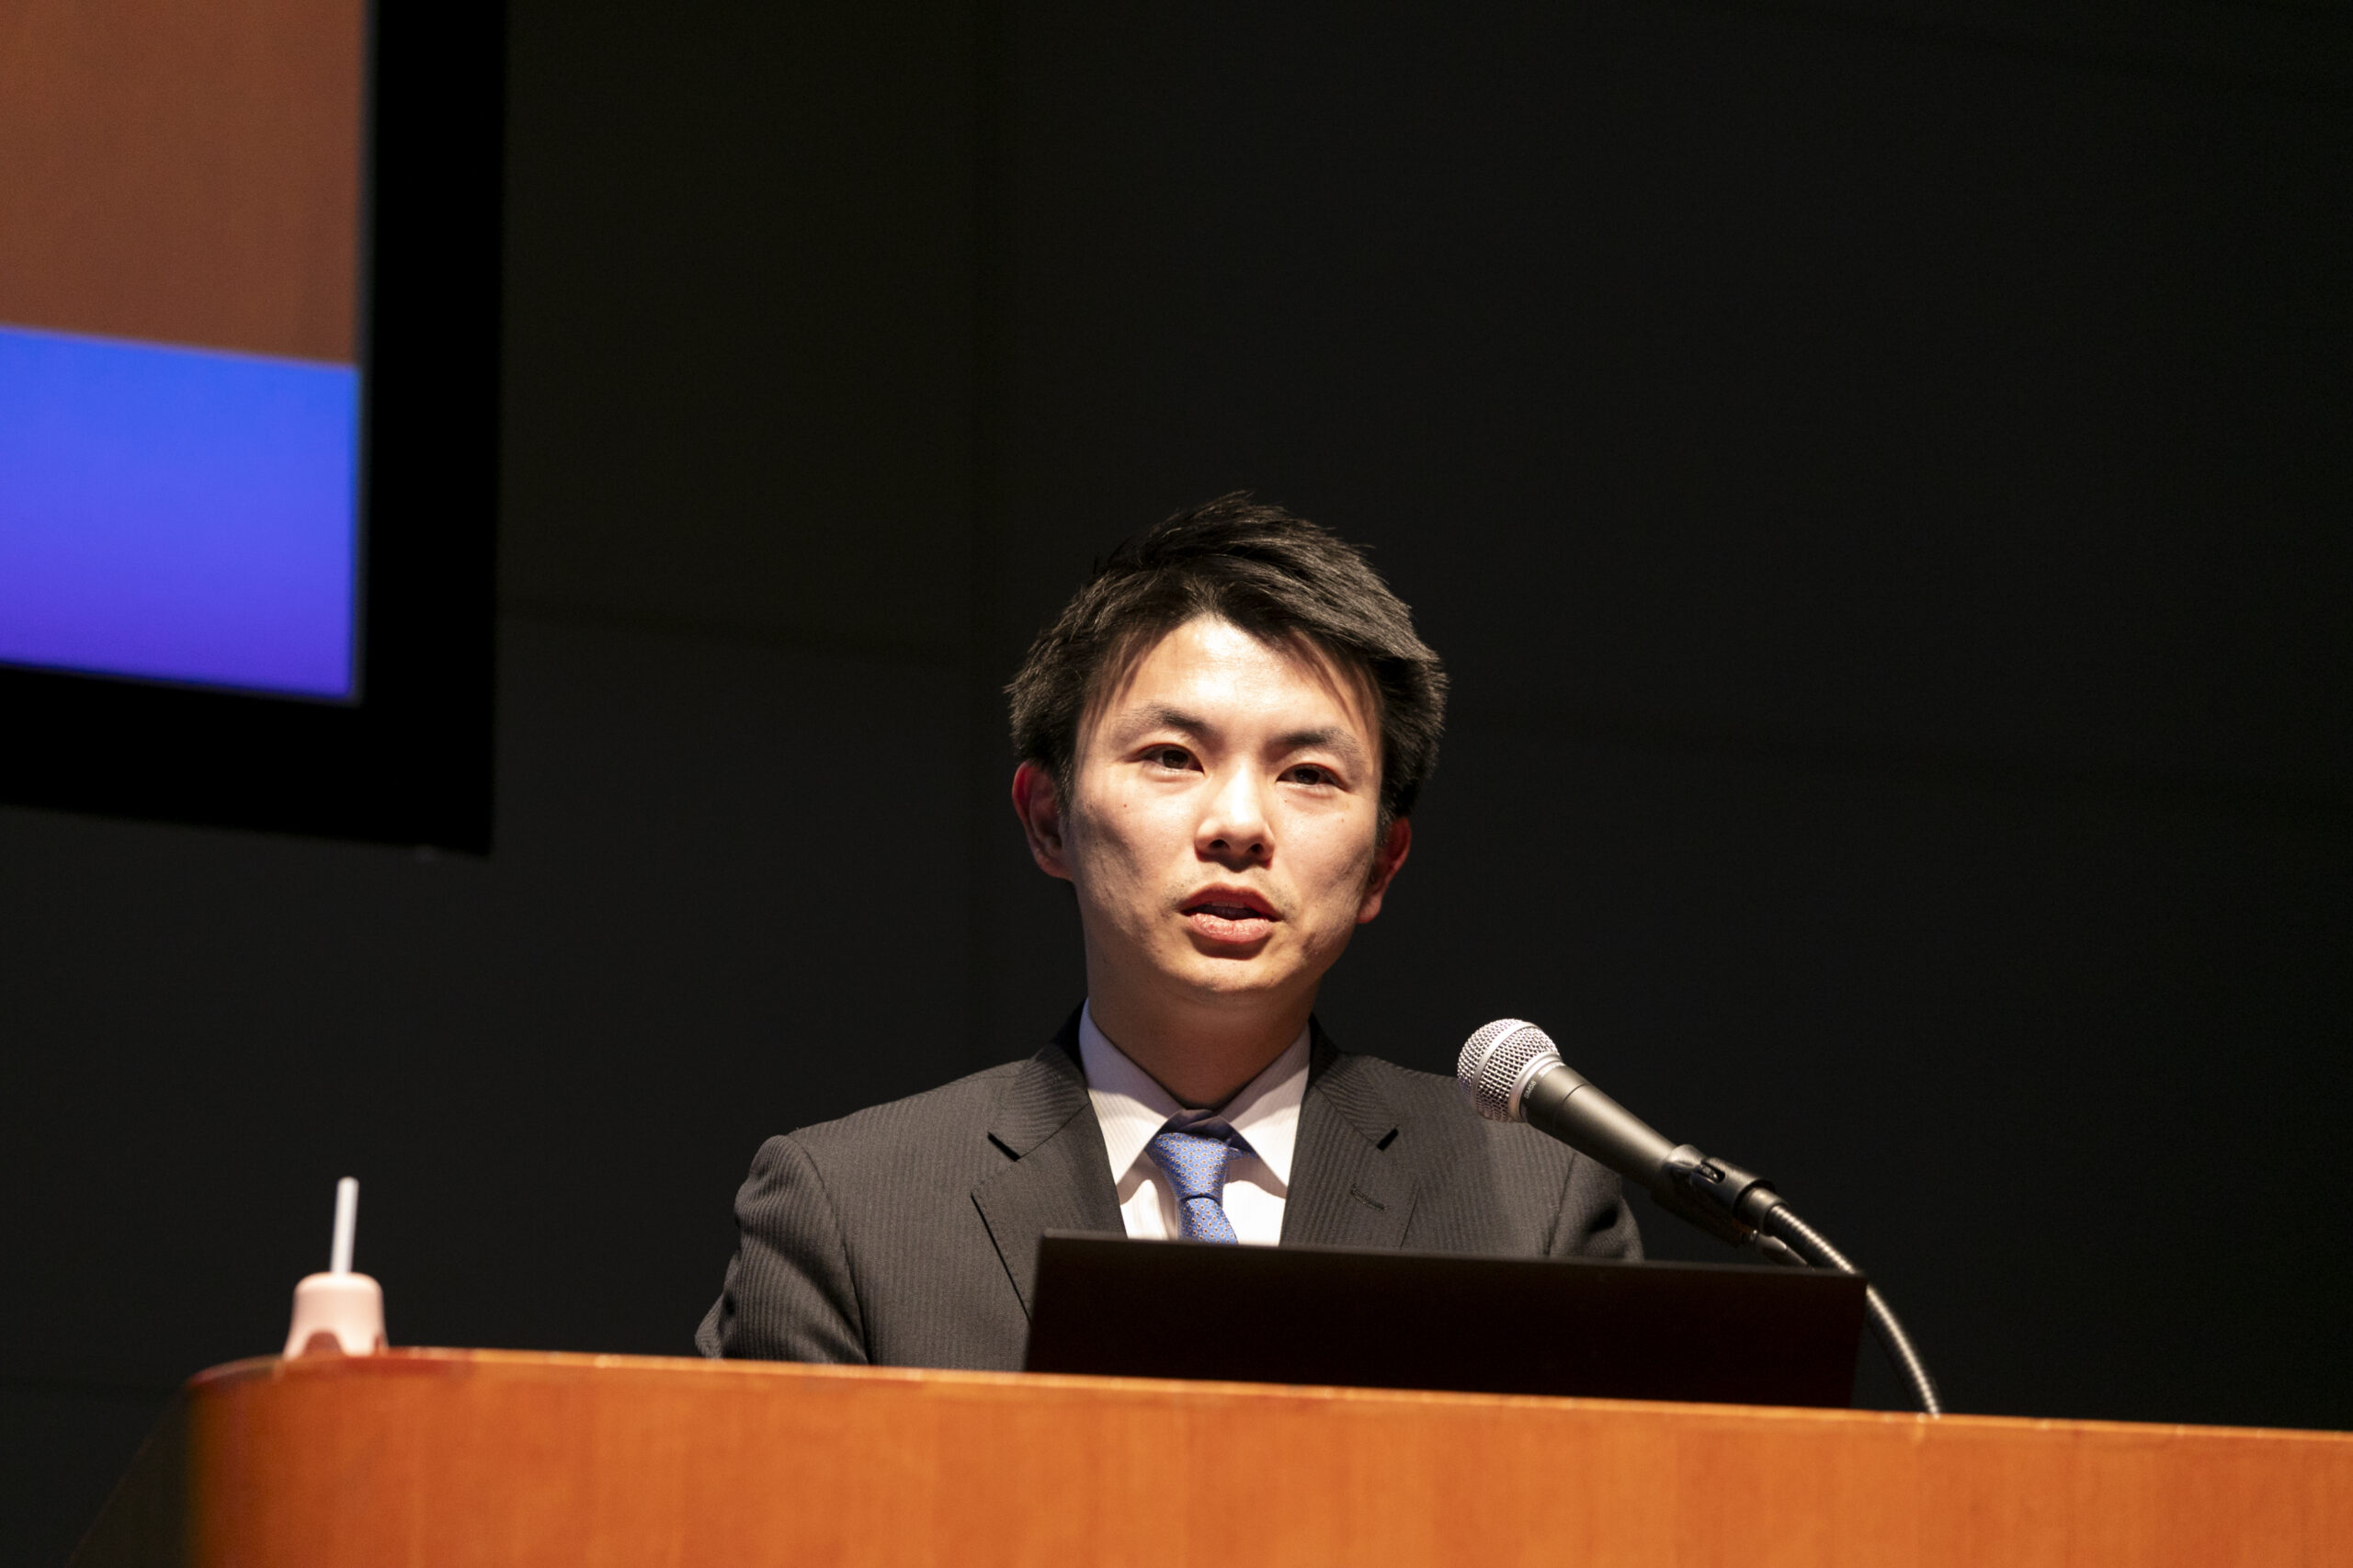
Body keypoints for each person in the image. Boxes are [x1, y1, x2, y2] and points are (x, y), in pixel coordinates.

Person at [696, 495, 1638, 1368]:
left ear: (1384, 860)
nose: (1238, 822)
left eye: (1308, 772)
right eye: (1171, 756)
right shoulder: (850, 1207)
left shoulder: (1530, 1206)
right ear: (1046, 818)